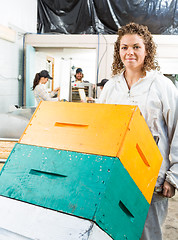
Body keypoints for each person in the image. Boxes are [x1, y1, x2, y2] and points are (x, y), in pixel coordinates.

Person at [98, 22, 178, 240]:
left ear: (147, 50)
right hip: (117, 173)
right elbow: (101, 129)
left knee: (149, 234)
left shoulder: (162, 85)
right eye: (124, 47)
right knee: (115, 230)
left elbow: (177, 131)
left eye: (136, 46)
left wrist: (174, 176)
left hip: (153, 177)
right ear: (118, 51)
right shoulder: (111, 87)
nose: (129, 52)